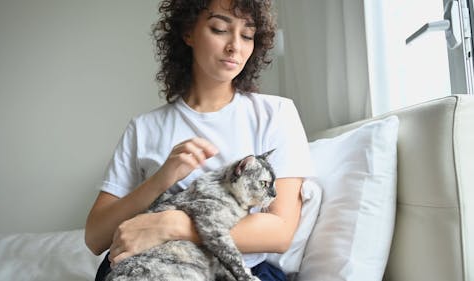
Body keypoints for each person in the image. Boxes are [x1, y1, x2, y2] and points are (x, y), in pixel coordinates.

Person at [85, 0, 314, 280]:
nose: (235, 46)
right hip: (156, 267)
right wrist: (160, 179)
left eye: (247, 35)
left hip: (238, 269)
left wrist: (171, 225)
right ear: (188, 33)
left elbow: (280, 231)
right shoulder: (144, 128)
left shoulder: (275, 114)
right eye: (220, 29)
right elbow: (95, 237)